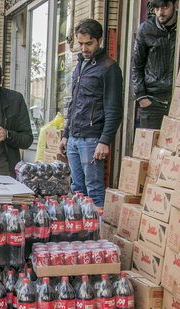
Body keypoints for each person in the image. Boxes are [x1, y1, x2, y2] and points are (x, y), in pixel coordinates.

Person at [59, 19, 123, 207]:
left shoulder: (109, 68)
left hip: (92, 139)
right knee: (77, 189)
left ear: (100, 40)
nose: (84, 48)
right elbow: (73, 104)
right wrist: (66, 135)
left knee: (94, 189)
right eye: (80, 43)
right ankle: (81, 231)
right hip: (74, 138)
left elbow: (114, 109)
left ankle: (97, 233)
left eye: (89, 43)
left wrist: (104, 141)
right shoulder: (79, 65)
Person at [132, 0, 177, 129]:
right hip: (153, 102)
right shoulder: (146, 29)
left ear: (176, 4)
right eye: (157, 8)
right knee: (149, 147)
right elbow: (137, 66)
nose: (160, 12)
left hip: (177, 101)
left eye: (165, 7)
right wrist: (141, 97)